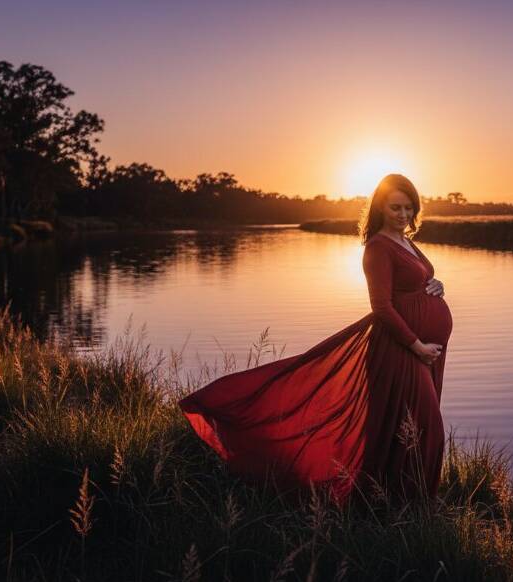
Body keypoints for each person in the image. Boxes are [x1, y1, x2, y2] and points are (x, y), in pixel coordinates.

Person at [179, 173, 453, 503]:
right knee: (425, 429)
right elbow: (381, 306)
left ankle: (405, 504)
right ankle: (396, 504)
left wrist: (437, 285)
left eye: (409, 208)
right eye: (396, 207)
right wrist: (417, 345)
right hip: (401, 350)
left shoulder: (405, 240)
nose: (403, 214)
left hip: (424, 350)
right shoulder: (378, 247)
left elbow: (420, 278)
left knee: (408, 430)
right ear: (380, 207)